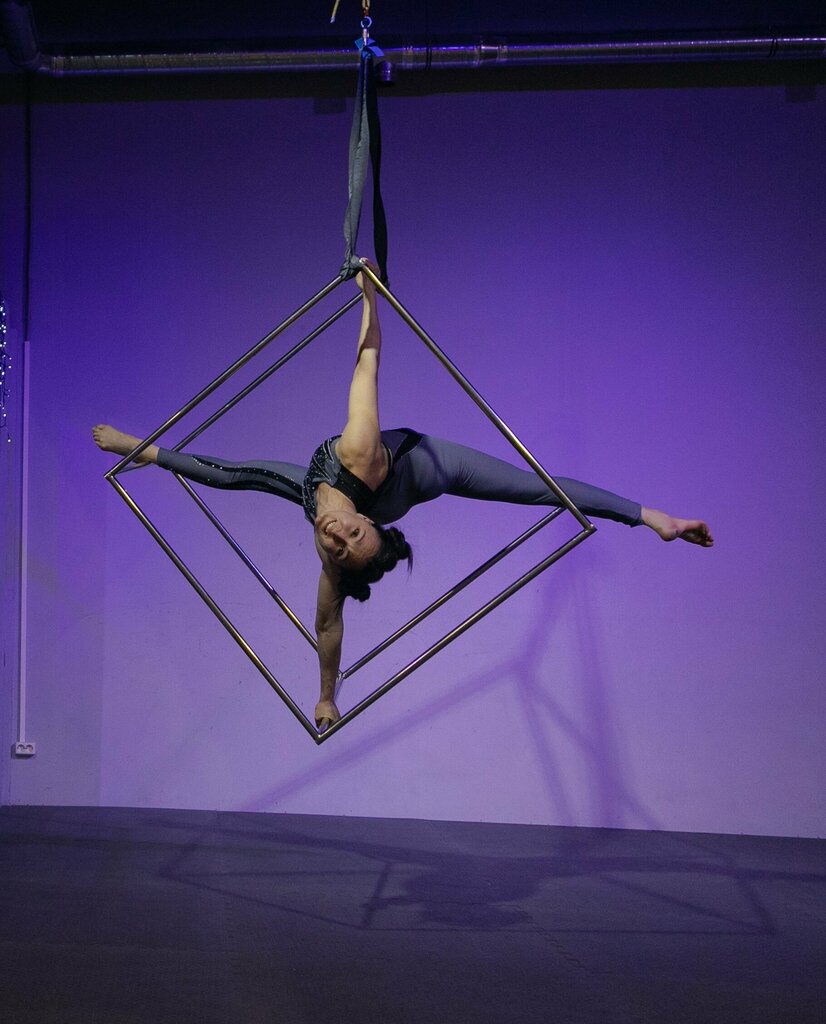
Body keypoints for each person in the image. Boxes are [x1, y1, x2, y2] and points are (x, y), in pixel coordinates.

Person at [94, 259, 713, 732]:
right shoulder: (357, 452)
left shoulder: (327, 548)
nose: (335, 537)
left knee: (536, 490)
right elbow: (367, 363)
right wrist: (369, 295)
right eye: (352, 536)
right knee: (532, 488)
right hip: (429, 465)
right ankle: (652, 517)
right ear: (367, 521)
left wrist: (327, 698)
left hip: (413, 482)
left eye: (339, 548)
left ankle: (651, 518)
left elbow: (326, 624)